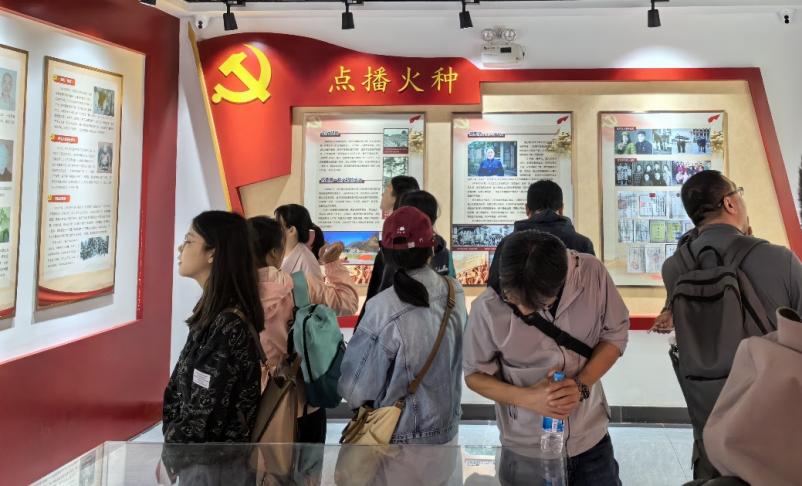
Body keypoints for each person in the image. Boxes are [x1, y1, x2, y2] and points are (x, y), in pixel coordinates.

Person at [660, 170, 802, 479]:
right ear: (730, 203)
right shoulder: (780, 259)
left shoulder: (674, 267)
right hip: (772, 429)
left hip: (709, 419)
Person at [464, 230, 629, 486]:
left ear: (561, 282)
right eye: (513, 300)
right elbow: (474, 375)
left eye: (537, 303)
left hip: (589, 439)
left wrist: (581, 385)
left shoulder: (591, 274)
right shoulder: (487, 307)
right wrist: (530, 398)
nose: (523, 310)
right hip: (525, 447)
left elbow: (615, 334)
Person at [339, 207, 467, 445]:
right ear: (431, 249)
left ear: (385, 253)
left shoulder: (382, 307)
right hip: (448, 430)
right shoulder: (455, 291)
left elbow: (355, 388)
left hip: (400, 438)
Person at [249, 216, 358, 443]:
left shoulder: (232, 292)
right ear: (275, 253)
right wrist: (332, 264)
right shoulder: (301, 285)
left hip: (254, 407)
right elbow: (348, 302)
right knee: (307, 462)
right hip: (305, 403)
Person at [163, 211, 265, 444]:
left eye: (189, 241)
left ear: (212, 253)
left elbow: (204, 419)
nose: (180, 248)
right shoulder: (212, 312)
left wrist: (173, 443)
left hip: (214, 460)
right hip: (199, 456)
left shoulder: (228, 325)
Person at [487, 180, 594, 290]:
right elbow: (592, 288)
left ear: (527, 209)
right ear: (561, 209)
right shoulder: (582, 244)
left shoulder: (507, 244)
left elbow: (493, 291)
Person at [357, 176, 420, 324]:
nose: (382, 193)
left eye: (387, 189)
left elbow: (382, 292)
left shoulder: (396, 248)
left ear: (398, 196)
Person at [275, 204, 323, 278]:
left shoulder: (306, 262)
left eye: (278, 225)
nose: (273, 229)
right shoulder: (279, 254)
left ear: (291, 230)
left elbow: (314, 286)